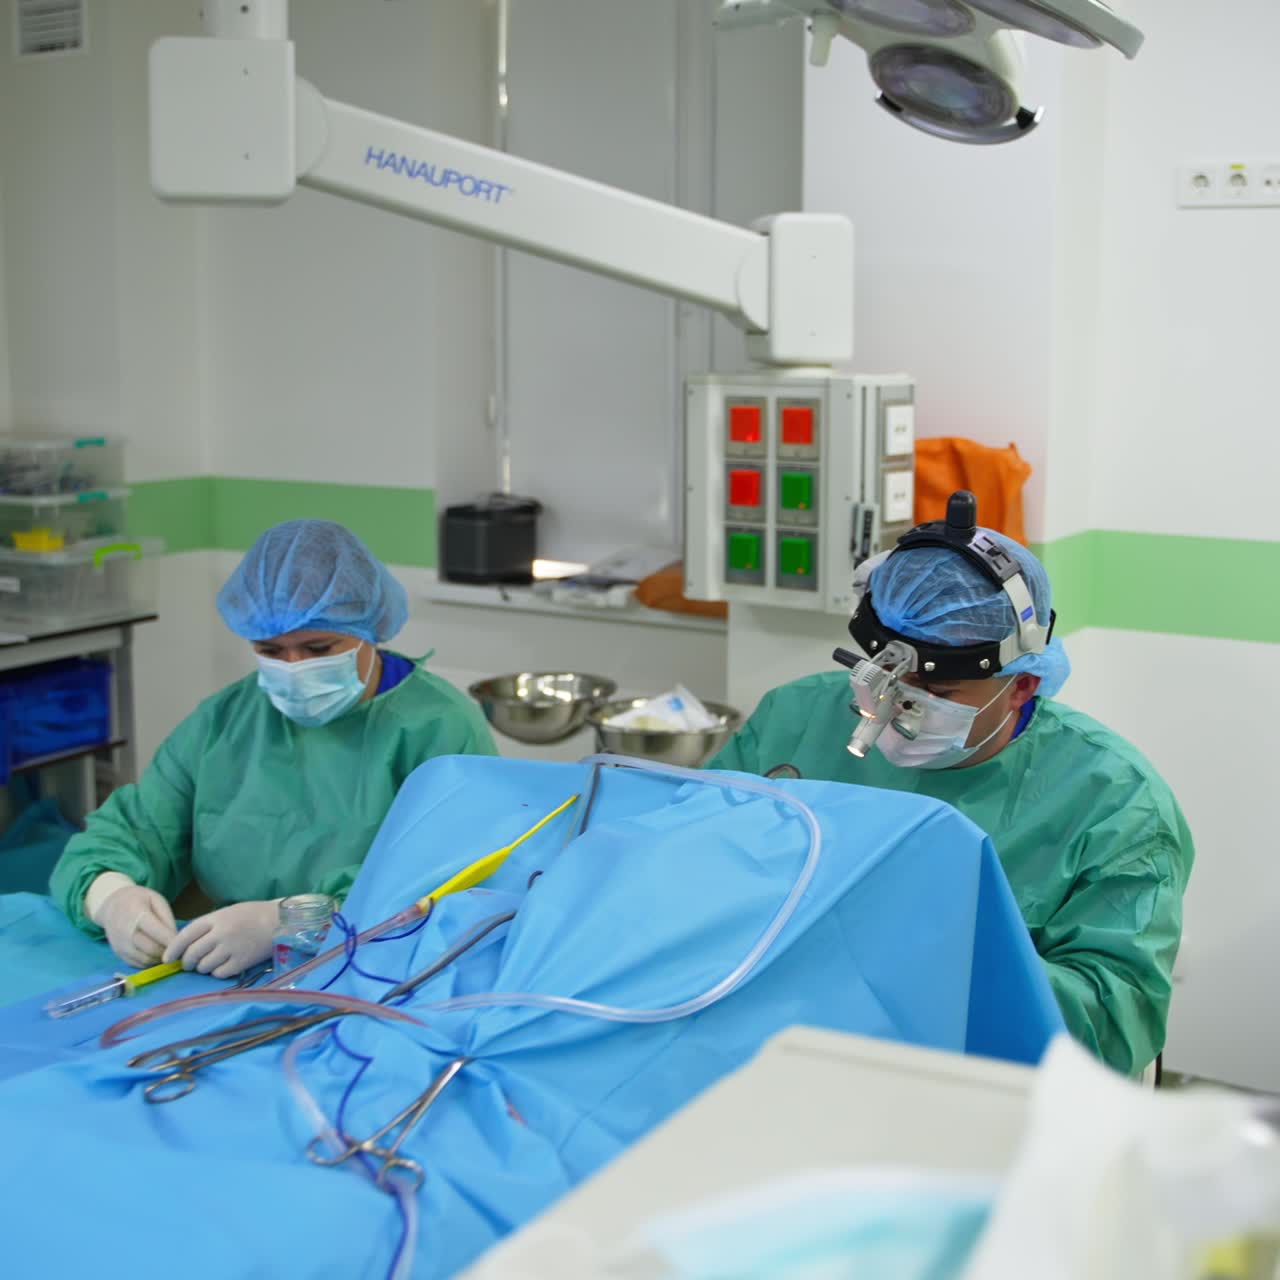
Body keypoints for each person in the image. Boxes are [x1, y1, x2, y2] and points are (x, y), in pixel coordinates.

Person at [709, 502, 1194, 1076]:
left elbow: (1115, 1023)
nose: (890, 705)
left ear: (1021, 686)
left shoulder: (1114, 802)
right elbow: (701, 855)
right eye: (882, 676)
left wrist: (942, 957)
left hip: (977, 1080)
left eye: (933, 688)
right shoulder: (796, 715)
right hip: (787, 1043)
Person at [51, 519, 497, 979]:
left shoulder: (440, 728)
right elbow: (132, 830)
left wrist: (291, 919)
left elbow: (460, 876)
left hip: (388, 972)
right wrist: (111, 895)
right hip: (237, 977)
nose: (294, 668)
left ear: (369, 628)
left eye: (319, 647)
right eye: (270, 650)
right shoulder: (225, 722)